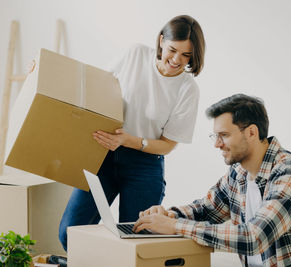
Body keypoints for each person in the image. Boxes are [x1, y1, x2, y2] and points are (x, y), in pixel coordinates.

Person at [58, 15, 206, 252]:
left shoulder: (188, 89)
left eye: (186, 55)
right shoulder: (136, 55)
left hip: (143, 166)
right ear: (161, 41)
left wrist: (128, 140)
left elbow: (167, 145)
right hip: (103, 156)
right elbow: (94, 84)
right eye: (173, 50)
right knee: (69, 234)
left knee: (134, 242)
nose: (177, 60)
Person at [133, 94, 291, 266]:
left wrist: (175, 226)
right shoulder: (239, 172)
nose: (216, 144)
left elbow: (255, 238)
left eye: (224, 135)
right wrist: (168, 215)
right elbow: (206, 209)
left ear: (252, 133)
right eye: (216, 136)